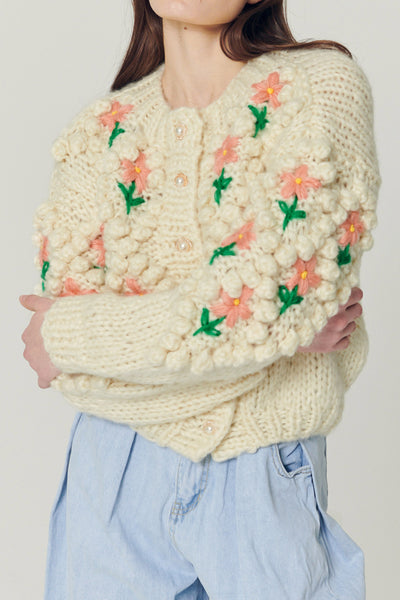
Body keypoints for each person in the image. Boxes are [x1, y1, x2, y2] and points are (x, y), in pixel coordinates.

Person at [19, 1, 380, 598]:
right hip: (113, 474)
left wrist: (76, 337)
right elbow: (267, 312)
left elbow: (283, 295)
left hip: (261, 475)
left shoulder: (319, 89)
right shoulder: (98, 132)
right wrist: (276, 338)